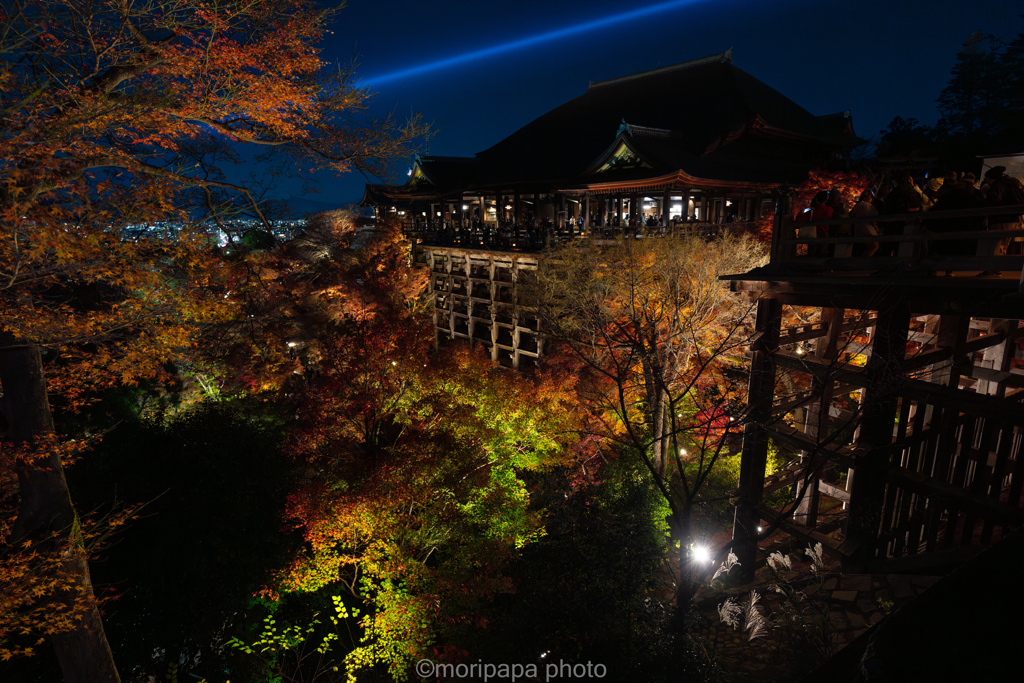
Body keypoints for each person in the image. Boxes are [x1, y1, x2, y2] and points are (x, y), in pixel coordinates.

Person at [851, 190, 880, 257]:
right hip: (867, 228)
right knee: (874, 246)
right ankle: (864, 260)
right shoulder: (867, 206)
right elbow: (874, 215)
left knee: (869, 247)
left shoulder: (857, 205)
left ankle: (863, 259)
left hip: (858, 228)